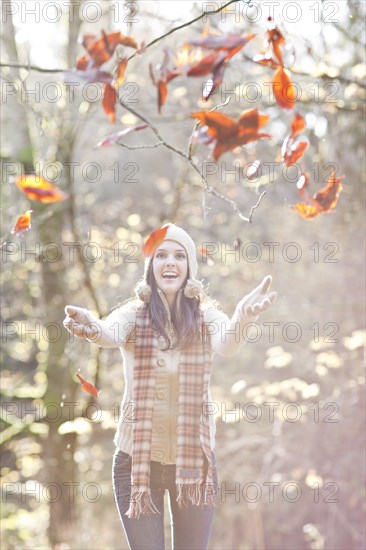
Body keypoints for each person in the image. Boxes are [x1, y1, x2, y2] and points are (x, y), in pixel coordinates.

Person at [63, 223, 277, 550]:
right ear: (150, 267)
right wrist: (89, 326)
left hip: (194, 462)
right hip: (136, 462)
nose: (170, 262)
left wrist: (243, 316)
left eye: (179, 255)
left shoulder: (206, 317)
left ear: (189, 266)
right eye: (161, 255)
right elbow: (109, 332)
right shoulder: (133, 315)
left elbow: (228, 343)